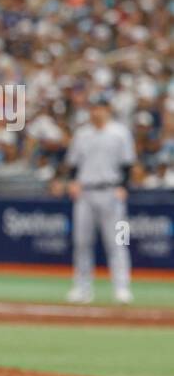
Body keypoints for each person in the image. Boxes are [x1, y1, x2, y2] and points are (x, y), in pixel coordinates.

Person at [65, 100, 136, 304]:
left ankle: (122, 288)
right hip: (86, 192)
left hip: (112, 192)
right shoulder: (82, 134)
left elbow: (128, 164)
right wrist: (73, 182)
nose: (96, 112)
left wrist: (124, 186)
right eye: (93, 108)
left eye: (100, 108)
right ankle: (81, 288)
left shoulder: (120, 132)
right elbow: (73, 163)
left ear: (108, 110)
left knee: (119, 242)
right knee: (81, 242)